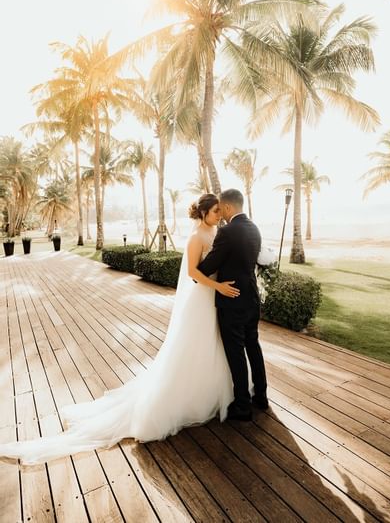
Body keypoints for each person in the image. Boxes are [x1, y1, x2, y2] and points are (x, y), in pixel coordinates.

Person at [0, 193, 240, 465]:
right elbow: (193, 274)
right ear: (204, 212)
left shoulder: (216, 231)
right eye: (216, 211)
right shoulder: (197, 237)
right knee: (195, 343)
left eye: (221, 211)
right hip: (202, 297)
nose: (220, 214)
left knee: (213, 342)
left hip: (214, 298)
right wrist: (219, 286)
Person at [198, 189, 268, 421]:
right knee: (253, 347)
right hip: (251, 299)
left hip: (232, 301)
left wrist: (200, 265)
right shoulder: (254, 228)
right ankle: (262, 396)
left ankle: (242, 406)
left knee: (236, 353)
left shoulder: (227, 232)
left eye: (221, 208)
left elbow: (208, 267)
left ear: (227, 208)